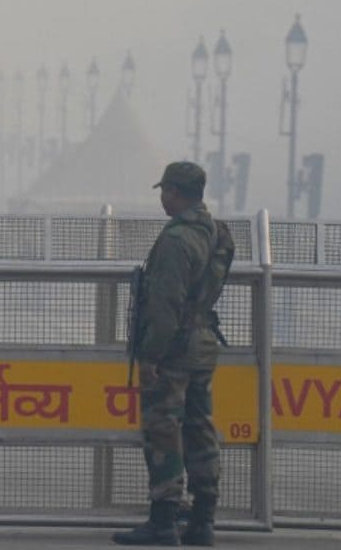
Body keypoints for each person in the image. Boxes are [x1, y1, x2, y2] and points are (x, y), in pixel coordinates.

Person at [113, 162, 234, 547]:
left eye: (165, 191)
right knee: (200, 429)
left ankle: (164, 520)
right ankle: (203, 520)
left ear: (176, 192)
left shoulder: (176, 241)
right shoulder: (216, 232)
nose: (162, 198)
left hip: (174, 350)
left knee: (163, 429)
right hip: (202, 343)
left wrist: (150, 357)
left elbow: (165, 308)